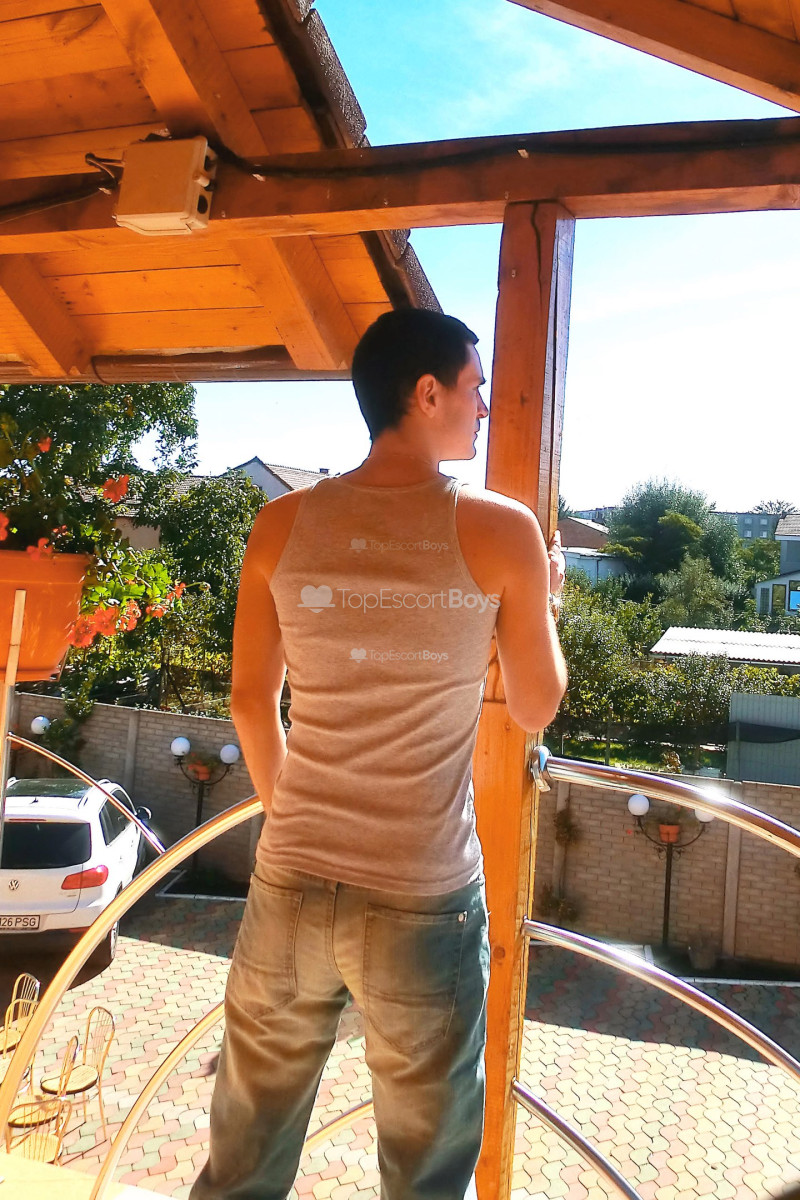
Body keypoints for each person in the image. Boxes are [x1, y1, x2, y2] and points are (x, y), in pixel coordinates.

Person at [190, 309, 567, 1200]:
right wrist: (545, 597)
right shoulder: (503, 529)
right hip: (420, 898)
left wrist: (294, 820)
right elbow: (536, 704)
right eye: (474, 388)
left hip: (289, 881)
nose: (483, 408)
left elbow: (249, 701)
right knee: (424, 1174)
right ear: (427, 393)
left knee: (242, 1163)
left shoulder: (279, 523)